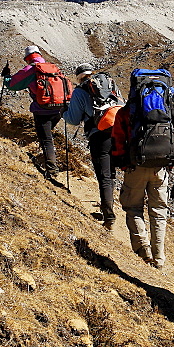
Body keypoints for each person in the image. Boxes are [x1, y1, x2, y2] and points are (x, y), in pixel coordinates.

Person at [111, 69, 174, 271]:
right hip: (161, 167)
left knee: (133, 208)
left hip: (135, 166)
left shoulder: (126, 113)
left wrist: (122, 163)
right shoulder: (167, 110)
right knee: (159, 212)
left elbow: (117, 140)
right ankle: (159, 258)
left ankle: (143, 250)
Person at [62, 64, 122, 230]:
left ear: (79, 77)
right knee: (114, 172)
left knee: (105, 175)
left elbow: (73, 119)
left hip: (99, 135)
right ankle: (123, 209)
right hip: (120, 132)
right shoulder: (110, 85)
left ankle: (109, 216)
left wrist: (63, 112)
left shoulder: (80, 91)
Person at [4, 46, 70, 182]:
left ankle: (51, 170)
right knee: (48, 135)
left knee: (46, 139)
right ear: (40, 55)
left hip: (42, 109)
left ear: (27, 59)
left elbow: (12, 85)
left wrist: (6, 77)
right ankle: (49, 158)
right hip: (59, 108)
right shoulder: (53, 67)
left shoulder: (31, 70)